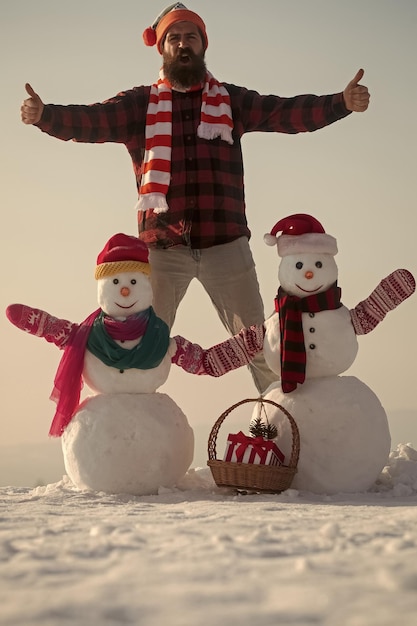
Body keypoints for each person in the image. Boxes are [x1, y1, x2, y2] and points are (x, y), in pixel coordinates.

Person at [20, 2, 370, 394]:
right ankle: (130, 434)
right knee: (140, 344)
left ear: (203, 46)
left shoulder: (231, 101)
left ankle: (285, 425)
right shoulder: (140, 105)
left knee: (261, 345)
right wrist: (44, 115)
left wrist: (340, 103)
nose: (182, 44)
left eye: (190, 37)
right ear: (163, 48)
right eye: (174, 38)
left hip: (226, 247)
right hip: (163, 249)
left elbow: (286, 112)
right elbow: (91, 121)